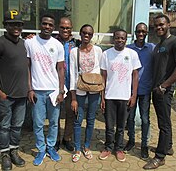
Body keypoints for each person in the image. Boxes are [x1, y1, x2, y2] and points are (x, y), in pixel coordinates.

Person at [0, 10, 28, 171]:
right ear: (5, 26)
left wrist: (28, 88)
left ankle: (14, 150)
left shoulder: (23, 44)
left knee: (17, 125)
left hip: (22, 95)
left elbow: (26, 68)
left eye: (19, 24)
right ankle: (5, 154)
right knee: (4, 126)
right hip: (5, 96)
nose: (16, 27)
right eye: (12, 24)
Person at [143, 14, 176, 170]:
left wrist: (164, 85)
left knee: (164, 124)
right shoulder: (159, 44)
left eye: (162, 24)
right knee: (165, 120)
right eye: (156, 26)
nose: (159, 27)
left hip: (164, 90)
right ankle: (167, 147)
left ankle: (160, 157)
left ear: (169, 25)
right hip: (157, 89)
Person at [25, 14, 65, 166]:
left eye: (50, 25)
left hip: (53, 91)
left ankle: (51, 147)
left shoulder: (57, 45)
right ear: (40, 24)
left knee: (54, 122)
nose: (47, 27)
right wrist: (29, 89)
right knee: (38, 123)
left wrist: (61, 91)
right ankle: (41, 149)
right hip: (37, 90)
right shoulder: (30, 42)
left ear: (53, 27)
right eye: (44, 24)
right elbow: (27, 67)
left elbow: (61, 69)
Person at [99, 29, 141, 162]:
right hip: (110, 96)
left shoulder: (132, 54)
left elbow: (135, 76)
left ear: (126, 39)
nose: (120, 40)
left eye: (123, 38)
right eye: (117, 38)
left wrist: (134, 95)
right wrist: (102, 97)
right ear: (113, 39)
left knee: (121, 127)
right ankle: (108, 147)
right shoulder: (106, 54)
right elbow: (103, 77)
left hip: (125, 97)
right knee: (109, 127)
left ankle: (119, 148)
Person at [69, 24, 103, 162]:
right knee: (78, 120)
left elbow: (100, 70)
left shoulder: (98, 50)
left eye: (89, 33)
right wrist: (73, 98)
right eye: (84, 33)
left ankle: (87, 146)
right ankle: (77, 148)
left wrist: (102, 94)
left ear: (92, 35)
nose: (86, 35)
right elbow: (72, 74)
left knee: (91, 119)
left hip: (94, 89)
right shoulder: (74, 52)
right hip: (80, 89)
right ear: (80, 34)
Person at [123, 22, 155, 160]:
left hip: (146, 90)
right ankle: (130, 140)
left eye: (143, 32)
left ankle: (144, 145)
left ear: (147, 33)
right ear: (135, 33)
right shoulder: (128, 49)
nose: (141, 34)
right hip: (130, 90)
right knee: (129, 118)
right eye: (138, 32)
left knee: (145, 119)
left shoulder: (152, 48)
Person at [55, 17, 81, 151]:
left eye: (68, 28)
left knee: (71, 113)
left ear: (71, 28)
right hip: (56, 85)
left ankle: (67, 138)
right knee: (56, 114)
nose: (65, 30)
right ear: (58, 28)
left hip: (71, 85)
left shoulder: (77, 43)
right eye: (62, 27)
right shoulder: (52, 41)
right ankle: (56, 139)